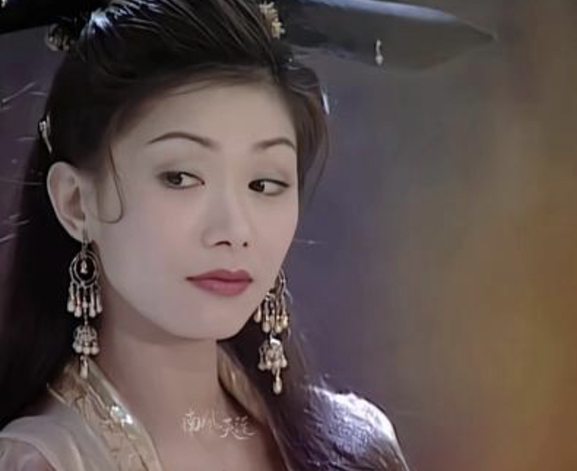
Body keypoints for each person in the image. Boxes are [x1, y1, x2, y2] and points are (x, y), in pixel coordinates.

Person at [0, 0, 490, 469]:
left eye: (264, 184)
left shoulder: (356, 443)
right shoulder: (42, 462)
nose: (235, 231)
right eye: (180, 177)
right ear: (76, 202)